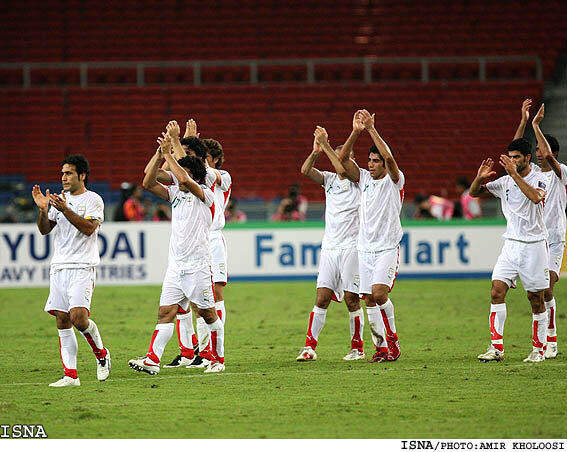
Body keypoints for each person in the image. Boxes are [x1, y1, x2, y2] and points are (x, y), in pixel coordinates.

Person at [129, 134, 225, 374]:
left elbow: (182, 177)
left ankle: (218, 360)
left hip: (198, 265)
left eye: (183, 173)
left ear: (193, 175)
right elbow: (148, 182)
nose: (177, 178)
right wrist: (160, 153)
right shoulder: (177, 195)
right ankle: (152, 360)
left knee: (207, 313)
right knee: (166, 312)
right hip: (176, 265)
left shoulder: (206, 195)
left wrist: (171, 151)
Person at [32, 154, 110, 387]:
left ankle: (102, 355)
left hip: (82, 266)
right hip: (59, 266)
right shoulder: (60, 199)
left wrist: (65, 209)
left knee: (78, 318)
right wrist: (44, 210)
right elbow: (45, 230)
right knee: (62, 320)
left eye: (68, 173)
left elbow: (88, 229)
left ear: (82, 175)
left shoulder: (93, 200)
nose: (63, 177)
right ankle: (71, 376)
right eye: (62, 173)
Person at [471, 138, 550, 363]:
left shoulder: (540, 179)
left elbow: (536, 197)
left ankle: (539, 349)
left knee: (535, 298)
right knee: (496, 291)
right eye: (510, 157)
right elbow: (474, 193)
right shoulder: (504, 182)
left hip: (534, 245)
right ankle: (496, 348)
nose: (513, 161)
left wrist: (514, 175)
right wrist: (479, 177)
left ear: (527, 158)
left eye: (517, 157)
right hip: (511, 245)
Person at [338, 109, 404, 363]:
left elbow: (390, 158)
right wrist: (356, 132)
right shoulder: (363, 179)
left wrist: (372, 130)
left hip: (387, 248)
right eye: (370, 161)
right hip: (364, 249)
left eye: (376, 161)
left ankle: (393, 341)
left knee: (379, 293)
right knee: (368, 299)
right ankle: (381, 348)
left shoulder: (395, 181)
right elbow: (342, 160)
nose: (371, 165)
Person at [296, 127, 365, 362]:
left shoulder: (359, 181)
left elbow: (342, 167)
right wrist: (316, 151)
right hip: (330, 247)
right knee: (322, 297)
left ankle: (357, 347)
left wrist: (326, 144)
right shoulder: (329, 180)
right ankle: (309, 347)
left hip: (351, 246)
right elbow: (305, 170)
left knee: (351, 298)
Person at [517, 103, 563, 359]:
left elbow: (553, 164)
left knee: (548, 289)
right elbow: (515, 152)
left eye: (541, 149)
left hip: (555, 241)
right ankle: (546, 340)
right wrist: (524, 122)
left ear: (552, 152)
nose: (537, 153)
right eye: (535, 150)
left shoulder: (560, 173)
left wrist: (536, 125)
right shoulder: (533, 174)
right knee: (537, 293)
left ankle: (552, 338)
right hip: (537, 241)